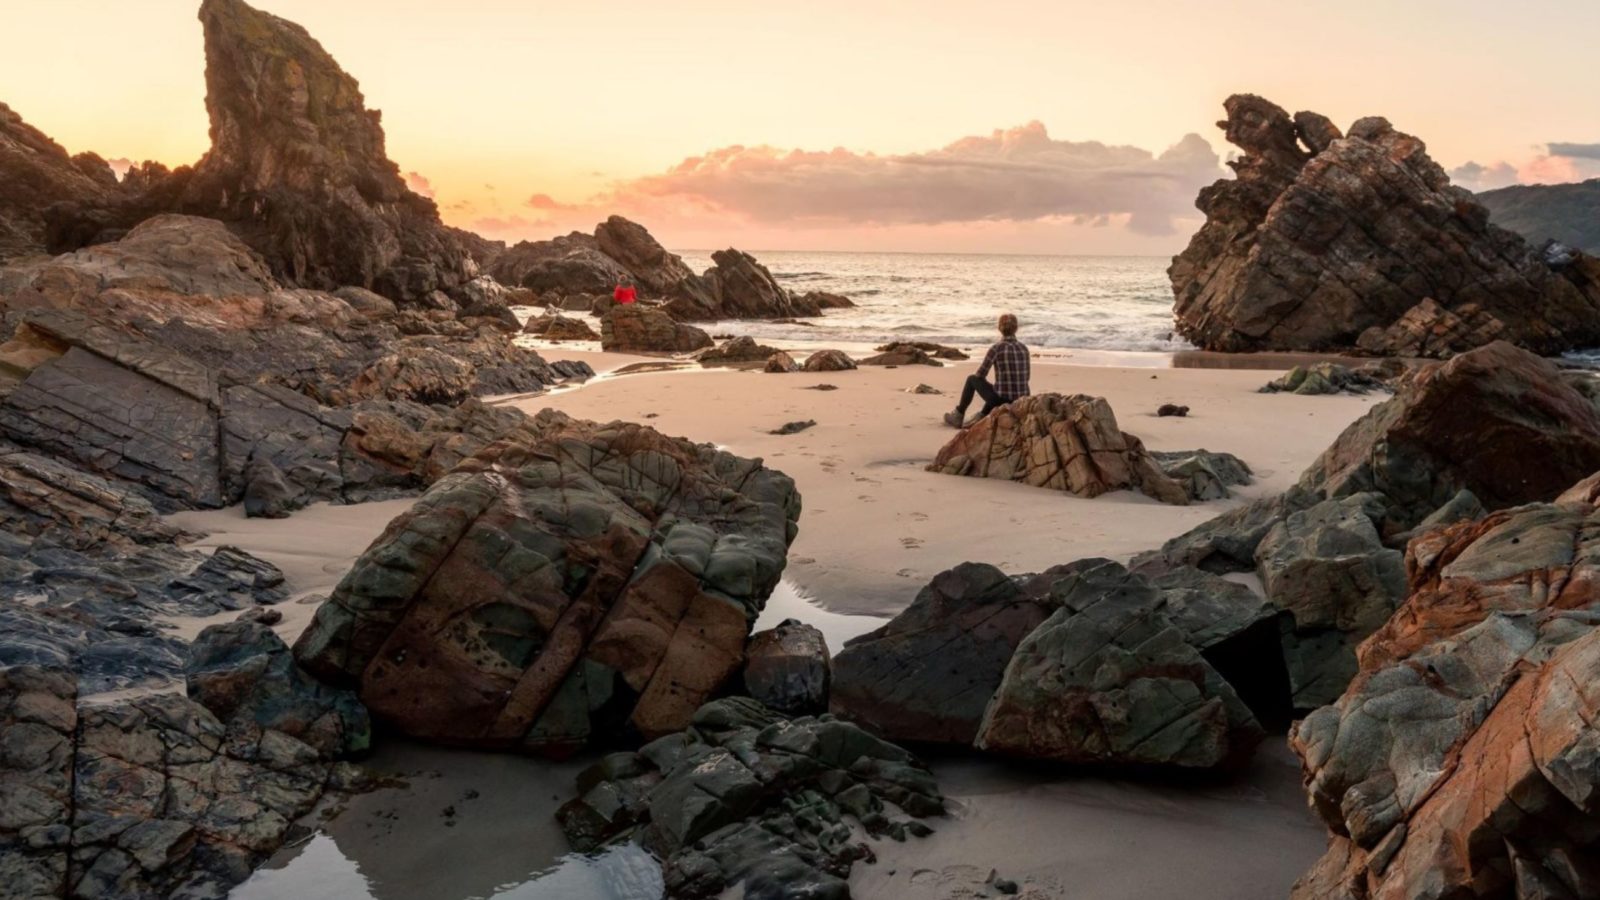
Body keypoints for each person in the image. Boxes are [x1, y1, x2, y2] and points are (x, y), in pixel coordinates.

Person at [944, 313, 1029, 427]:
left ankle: (959, 414)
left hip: (1001, 401)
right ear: (1016, 328)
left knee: (972, 379)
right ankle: (982, 414)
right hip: (1022, 400)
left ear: (999, 328)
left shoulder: (996, 348)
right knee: (997, 388)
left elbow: (980, 374)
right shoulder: (1024, 348)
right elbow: (1026, 377)